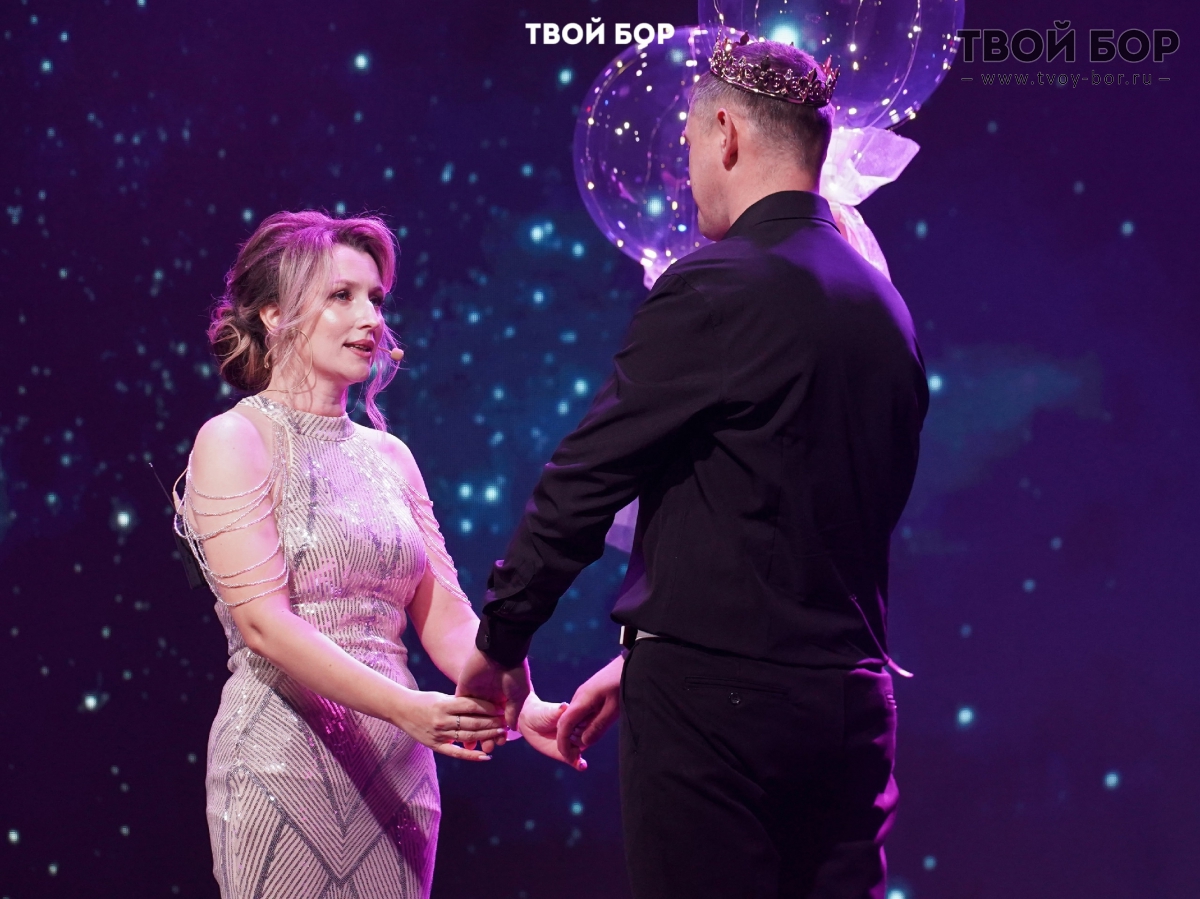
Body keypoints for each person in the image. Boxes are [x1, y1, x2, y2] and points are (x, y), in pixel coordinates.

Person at [459, 35, 930, 899]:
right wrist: (634, 661)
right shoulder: (886, 309)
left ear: (726, 132)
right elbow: (813, 521)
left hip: (717, 712)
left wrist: (502, 639)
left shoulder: (715, 284)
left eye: (686, 145)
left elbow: (585, 481)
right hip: (852, 707)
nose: (686, 174)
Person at [174, 210, 561, 898]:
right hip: (281, 764)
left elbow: (447, 618)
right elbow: (264, 624)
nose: (371, 318)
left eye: (376, 298)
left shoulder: (392, 457)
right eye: (341, 295)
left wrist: (519, 701)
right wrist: (406, 706)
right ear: (274, 313)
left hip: (398, 775)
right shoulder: (235, 439)